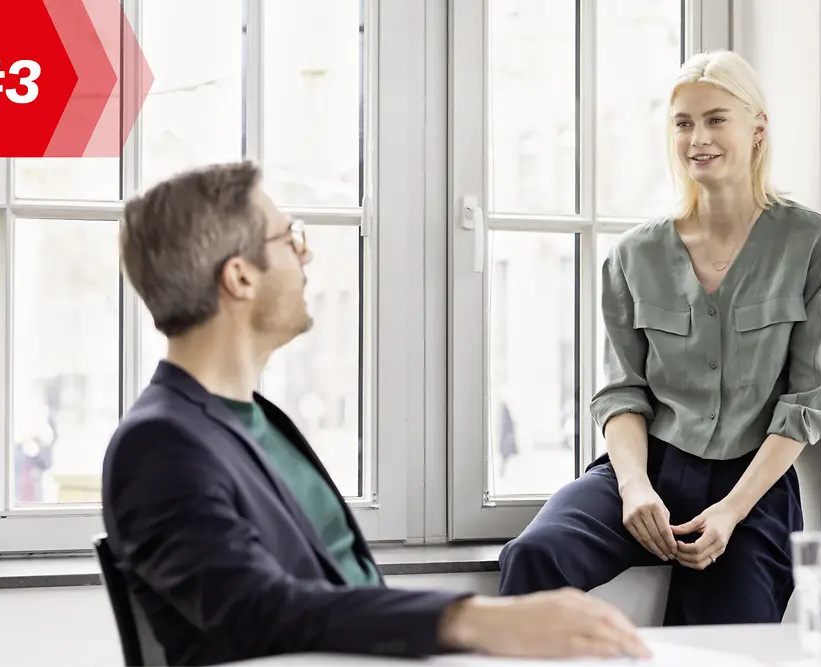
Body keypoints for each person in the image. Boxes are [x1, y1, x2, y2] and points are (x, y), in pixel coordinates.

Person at [101, 161, 650, 667]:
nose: (306, 255)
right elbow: (255, 610)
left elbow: (336, 588)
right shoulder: (159, 446)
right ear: (240, 277)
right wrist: (476, 619)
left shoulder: (258, 419)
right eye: (291, 239)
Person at [498, 49, 821, 627]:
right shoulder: (636, 254)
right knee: (536, 555)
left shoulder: (815, 245)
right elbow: (620, 393)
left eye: (716, 119)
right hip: (646, 466)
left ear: (757, 128)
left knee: (725, 637)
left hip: (751, 486)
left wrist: (733, 511)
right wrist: (634, 487)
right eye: (683, 123)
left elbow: (805, 406)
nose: (697, 139)